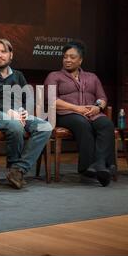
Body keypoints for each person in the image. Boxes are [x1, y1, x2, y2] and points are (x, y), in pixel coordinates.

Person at [0, 38, 52, 189]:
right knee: (16, 125)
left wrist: (24, 111)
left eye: (3, 51)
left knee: (46, 127)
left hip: (19, 114)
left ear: (11, 54)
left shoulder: (18, 75)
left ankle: (18, 169)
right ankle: (14, 167)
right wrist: (10, 112)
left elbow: (28, 99)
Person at [44, 41, 115, 187]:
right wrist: (77, 108)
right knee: (81, 123)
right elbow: (50, 99)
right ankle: (86, 168)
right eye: (65, 57)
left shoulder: (92, 77)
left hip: (91, 113)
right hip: (65, 114)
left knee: (106, 123)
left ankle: (99, 164)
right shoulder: (54, 76)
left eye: (72, 57)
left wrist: (98, 107)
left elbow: (102, 98)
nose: (68, 60)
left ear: (80, 60)